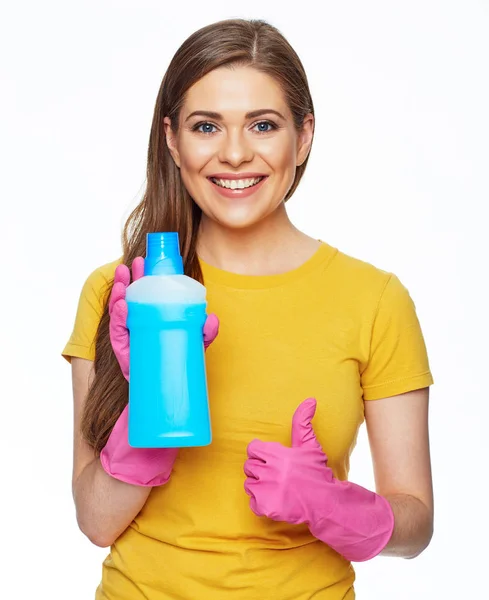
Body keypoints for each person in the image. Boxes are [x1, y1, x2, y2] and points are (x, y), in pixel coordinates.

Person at [62, 17, 434, 600]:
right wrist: (150, 418)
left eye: (264, 125)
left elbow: (416, 524)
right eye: (206, 126)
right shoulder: (121, 293)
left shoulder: (375, 301)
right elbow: (95, 521)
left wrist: (332, 504)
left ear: (303, 137)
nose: (235, 154)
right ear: (172, 140)